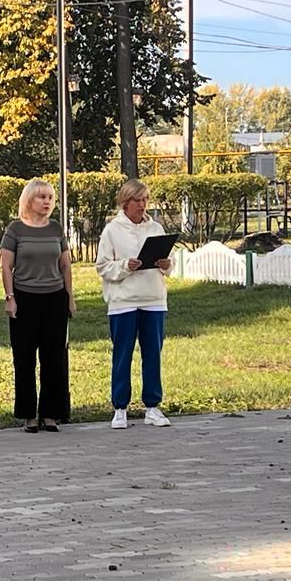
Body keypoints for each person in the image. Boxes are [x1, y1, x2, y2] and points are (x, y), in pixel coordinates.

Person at [95, 179, 173, 430]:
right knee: (122, 354)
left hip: (153, 299)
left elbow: (170, 262)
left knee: (153, 354)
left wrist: (165, 264)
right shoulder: (112, 230)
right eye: (136, 201)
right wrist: (124, 266)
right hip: (123, 302)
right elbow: (103, 266)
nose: (141, 205)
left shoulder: (156, 229)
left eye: (144, 200)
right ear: (125, 203)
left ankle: (152, 406)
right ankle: (120, 408)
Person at [0, 179, 75, 433]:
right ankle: (28, 415)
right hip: (25, 298)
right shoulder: (15, 229)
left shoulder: (55, 228)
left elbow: (65, 265)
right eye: (41, 197)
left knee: (54, 357)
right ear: (29, 200)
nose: (46, 202)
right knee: (24, 358)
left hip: (54, 298)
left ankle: (51, 414)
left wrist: (70, 297)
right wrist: (10, 297)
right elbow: (6, 266)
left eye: (50, 198)